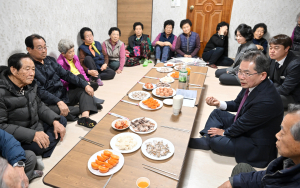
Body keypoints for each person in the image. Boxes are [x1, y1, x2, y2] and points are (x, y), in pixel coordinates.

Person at [189, 50, 284, 168]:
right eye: (240, 71)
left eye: (246, 73)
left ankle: (208, 140)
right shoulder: (253, 82)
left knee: (216, 142)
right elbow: (237, 103)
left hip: (254, 142)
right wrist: (219, 103)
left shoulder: (267, 101)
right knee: (217, 112)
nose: (241, 77)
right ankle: (207, 139)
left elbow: (242, 125)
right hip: (247, 125)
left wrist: (224, 132)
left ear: (262, 75)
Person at [0, 53, 67, 158]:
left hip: (34, 125)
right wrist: (32, 135)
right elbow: (2, 126)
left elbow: (39, 105)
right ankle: (42, 147)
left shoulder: (29, 84)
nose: (32, 73)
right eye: (27, 69)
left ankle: (44, 145)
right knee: (38, 146)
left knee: (61, 121)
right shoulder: (2, 92)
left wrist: (54, 121)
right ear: (13, 70)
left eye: (33, 69)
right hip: (17, 134)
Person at [218, 104, 300, 188]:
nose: (277, 135)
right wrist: (233, 182)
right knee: (241, 169)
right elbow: (268, 176)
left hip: (256, 145)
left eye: (283, 133)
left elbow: (242, 124)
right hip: (245, 135)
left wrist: (225, 133)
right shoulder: (289, 160)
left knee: (214, 142)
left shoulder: (265, 101)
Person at [26, 34, 98, 128]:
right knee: (60, 111)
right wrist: (58, 101)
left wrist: (85, 85)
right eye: (40, 48)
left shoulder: (50, 60)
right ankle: (87, 106)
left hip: (63, 95)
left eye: (45, 47)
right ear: (29, 49)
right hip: (50, 103)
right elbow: (40, 91)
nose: (44, 50)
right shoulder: (28, 67)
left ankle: (84, 117)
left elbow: (66, 74)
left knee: (85, 89)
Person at [56, 39, 104, 105]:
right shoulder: (60, 63)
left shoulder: (75, 57)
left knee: (94, 85)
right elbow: (61, 81)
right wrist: (73, 77)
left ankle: (85, 89)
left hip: (80, 80)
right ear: (63, 54)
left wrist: (86, 80)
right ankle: (92, 97)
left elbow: (81, 70)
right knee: (79, 77)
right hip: (70, 84)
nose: (73, 53)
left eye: (73, 51)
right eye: (70, 52)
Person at [269, 34, 300, 108]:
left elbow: (285, 89)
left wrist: (266, 91)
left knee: (265, 99)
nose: (272, 51)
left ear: (286, 49)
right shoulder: (273, 58)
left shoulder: (295, 65)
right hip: (279, 90)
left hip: (293, 96)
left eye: (276, 48)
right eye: (270, 48)